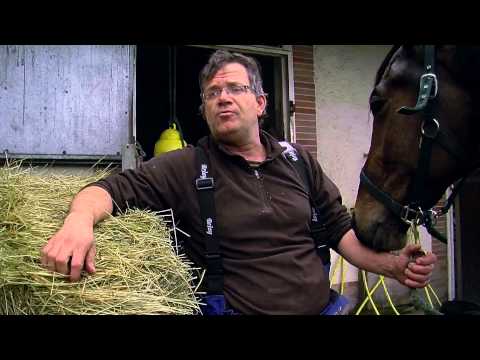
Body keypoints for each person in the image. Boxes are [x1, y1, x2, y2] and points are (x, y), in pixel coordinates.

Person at [41, 49, 437, 315]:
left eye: (234, 89)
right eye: (212, 94)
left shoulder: (298, 160)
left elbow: (338, 231)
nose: (223, 98)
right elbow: (107, 190)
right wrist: (78, 222)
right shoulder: (184, 167)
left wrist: (389, 265)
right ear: (205, 110)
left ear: (261, 103)